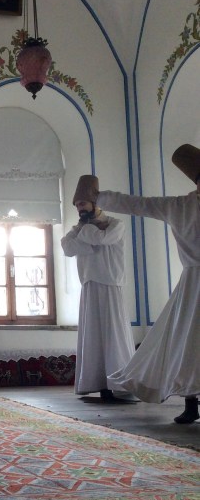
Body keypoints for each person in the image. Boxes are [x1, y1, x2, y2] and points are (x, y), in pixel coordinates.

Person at [97, 143, 199, 423]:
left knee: (188, 341)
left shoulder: (179, 206)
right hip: (193, 284)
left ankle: (192, 402)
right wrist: (99, 197)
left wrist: (99, 197)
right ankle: (191, 402)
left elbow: (138, 204)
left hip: (192, 282)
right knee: (187, 343)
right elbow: (138, 204)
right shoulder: (179, 206)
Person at [60, 175, 136, 402]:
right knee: (92, 337)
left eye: (82, 203)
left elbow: (103, 240)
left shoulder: (116, 224)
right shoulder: (78, 228)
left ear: (94, 203)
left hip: (111, 284)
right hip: (89, 285)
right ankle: (96, 383)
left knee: (114, 335)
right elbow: (67, 247)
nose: (79, 209)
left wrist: (86, 233)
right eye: (77, 205)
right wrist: (87, 233)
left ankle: (119, 383)